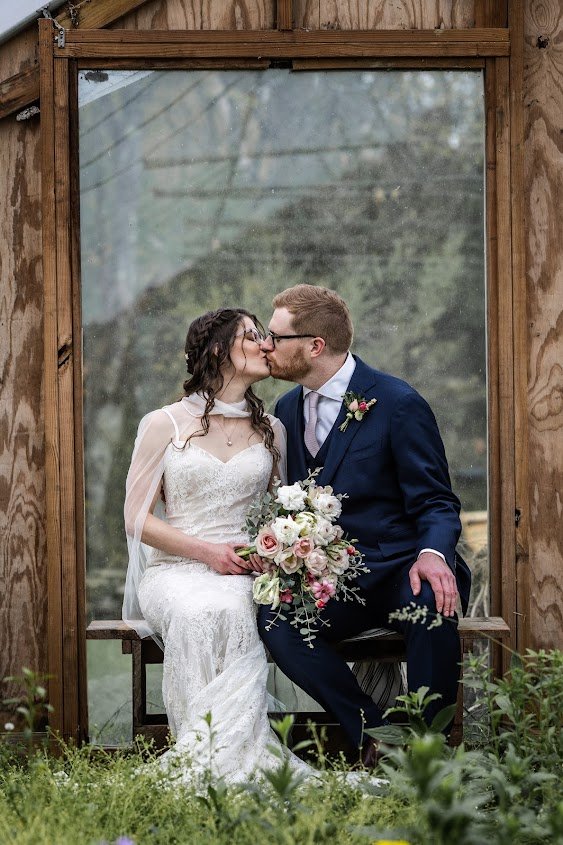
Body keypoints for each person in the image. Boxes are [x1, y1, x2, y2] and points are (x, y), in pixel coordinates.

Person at [257, 284, 472, 765]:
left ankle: (429, 751)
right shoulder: (286, 410)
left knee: (431, 606)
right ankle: (374, 733)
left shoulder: (397, 402)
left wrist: (433, 555)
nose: (265, 345)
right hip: (338, 580)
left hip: (403, 567)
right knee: (277, 621)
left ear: (315, 346)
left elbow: (437, 500)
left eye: (275, 336)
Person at [122, 307, 309, 785]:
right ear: (217, 350)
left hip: (243, 572)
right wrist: (207, 554)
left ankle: (231, 755)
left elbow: (280, 511)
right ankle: (201, 751)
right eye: (253, 336)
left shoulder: (274, 430)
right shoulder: (162, 423)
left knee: (238, 607)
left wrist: (275, 549)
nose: (267, 344)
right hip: (175, 571)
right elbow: (135, 517)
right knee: (199, 612)